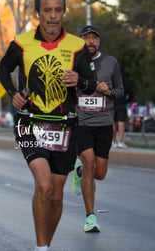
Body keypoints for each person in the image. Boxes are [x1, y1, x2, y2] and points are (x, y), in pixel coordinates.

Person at [0, 0, 96, 251]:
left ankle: (46, 244)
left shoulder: (77, 46)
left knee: (55, 194)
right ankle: (41, 248)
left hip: (65, 127)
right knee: (42, 183)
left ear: (64, 12)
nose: (53, 16)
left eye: (58, 10)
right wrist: (13, 93)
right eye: (47, 10)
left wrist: (81, 81)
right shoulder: (21, 43)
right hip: (29, 122)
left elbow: (92, 82)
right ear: (37, 13)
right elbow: (3, 69)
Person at [72, 25, 124, 233]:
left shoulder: (111, 62)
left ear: (99, 41)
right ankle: (90, 217)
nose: (90, 42)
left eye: (94, 38)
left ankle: (79, 172)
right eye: (86, 38)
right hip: (81, 122)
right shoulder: (73, 64)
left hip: (104, 123)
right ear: (80, 42)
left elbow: (120, 90)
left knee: (99, 173)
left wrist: (109, 91)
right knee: (90, 163)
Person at [112, 78, 134, 148]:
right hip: (122, 104)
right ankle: (121, 142)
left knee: (113, 123)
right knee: (121, 123)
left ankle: (113, 141)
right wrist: (126, 101)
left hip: (112, 104)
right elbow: (131, 95)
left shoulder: (111, 82)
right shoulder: (125, 83)